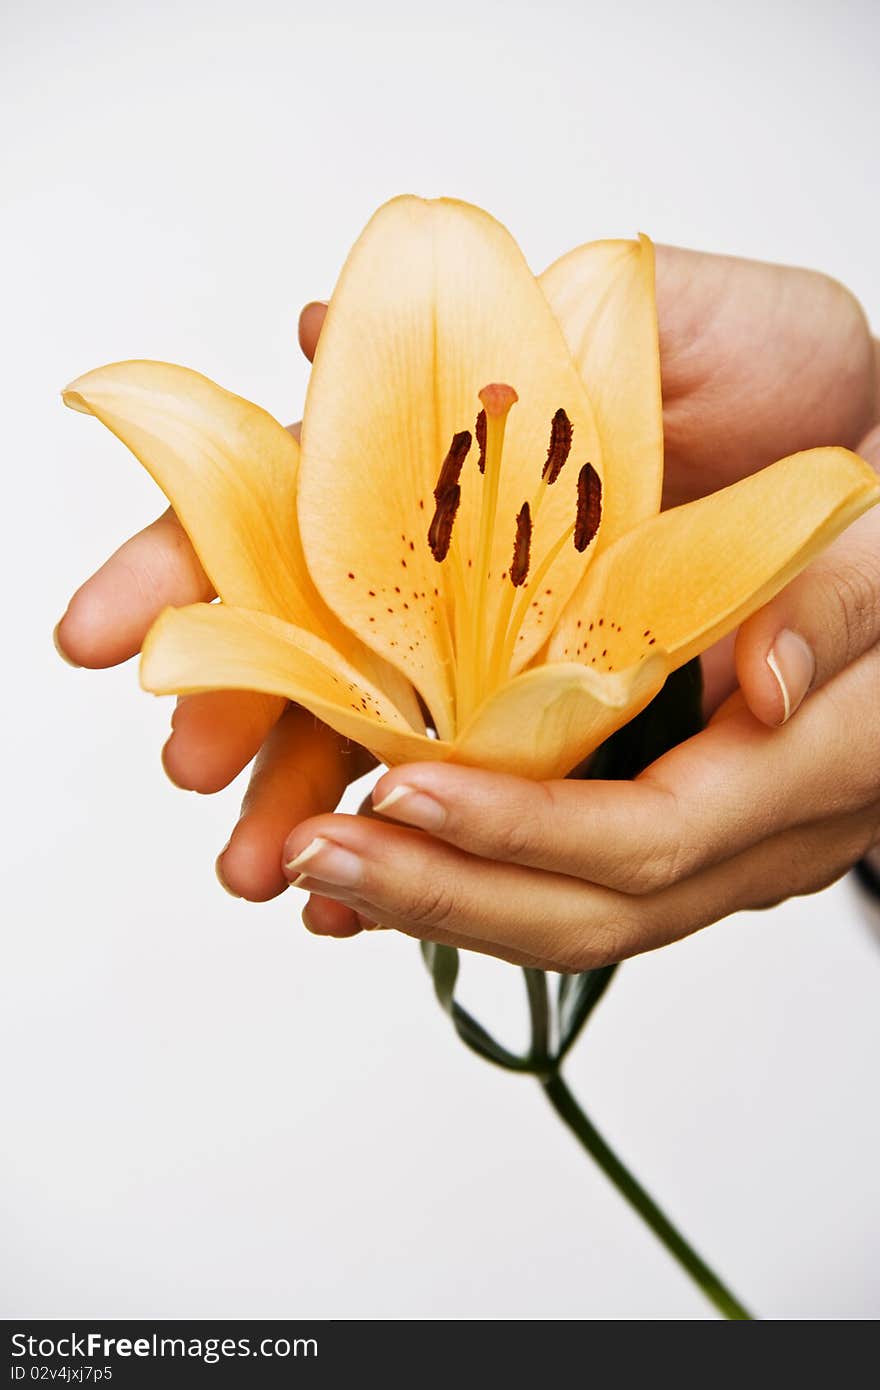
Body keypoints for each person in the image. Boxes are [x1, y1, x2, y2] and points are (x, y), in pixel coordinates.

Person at [55, 246, 880, 970]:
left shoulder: (594, 666)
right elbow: (216, 479)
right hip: (401, 697)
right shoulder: (554, 669)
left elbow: (599, 306)